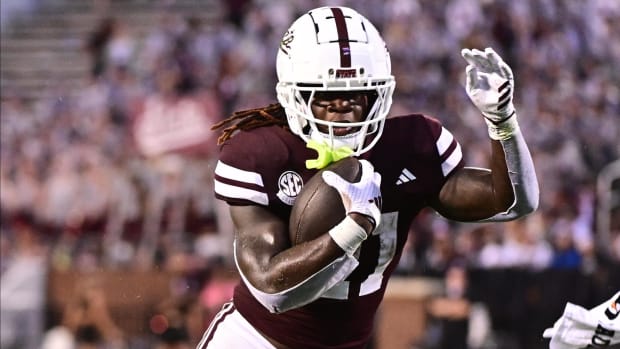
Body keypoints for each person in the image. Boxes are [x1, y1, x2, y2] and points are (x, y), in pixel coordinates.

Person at [197, 6, 539, 349]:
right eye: (325, 93)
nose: (341, 105)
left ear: (379, 94)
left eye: (357, 92)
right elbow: (272, 293)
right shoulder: (264, 154)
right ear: (294, 95)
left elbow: (513, 201)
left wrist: (502, 121)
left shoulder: (410, 145)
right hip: (256, 340)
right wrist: (354, 226)